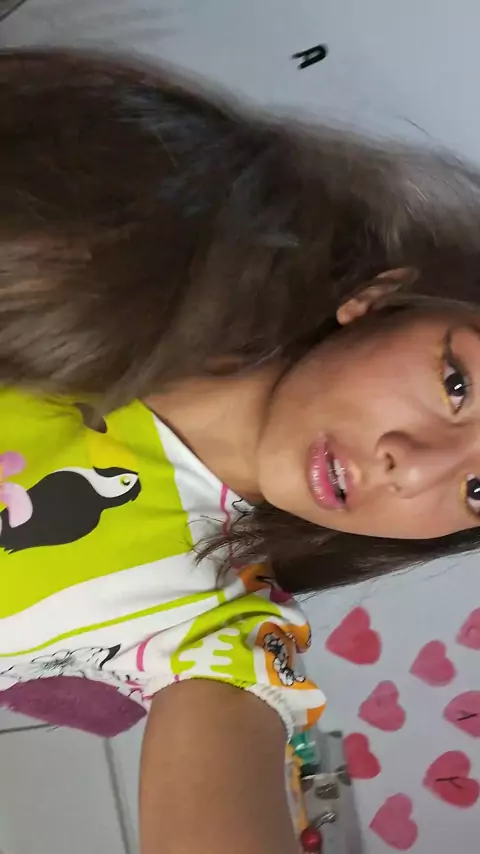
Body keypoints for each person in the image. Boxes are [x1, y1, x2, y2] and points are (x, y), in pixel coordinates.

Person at [1, 48, 480, 854]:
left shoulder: (218, 623)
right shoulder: (113, 262)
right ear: (379, 300)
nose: (415, 464)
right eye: (457, 384)